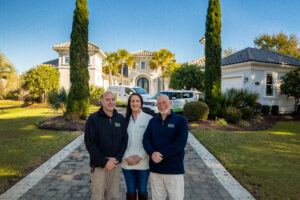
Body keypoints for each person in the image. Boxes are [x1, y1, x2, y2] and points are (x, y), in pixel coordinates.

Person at [143, 94, 188, 200]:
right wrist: (152, 153)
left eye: (164, 102)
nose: (162, 105)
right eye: (159, 103)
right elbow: (146, 139)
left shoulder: (180, 120)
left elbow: (180, 143)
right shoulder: (152, 121)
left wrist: (161, 154)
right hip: (156, 170)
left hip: (174, 170)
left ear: (170, 103)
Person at [84, 91, 128, 200]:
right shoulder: (93, 119)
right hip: (99, 166)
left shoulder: (120, 119)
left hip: (115, 165)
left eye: (113, 99)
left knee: (113, 196)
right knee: (97, 196)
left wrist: (117, 158)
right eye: (107, 99)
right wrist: (104, 162)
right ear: (102, 101)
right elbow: (90, 143)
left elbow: (124, 140)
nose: (111, 102)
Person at [121, 93, 152, 200]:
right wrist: (126, 157)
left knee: (143, 190)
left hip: (143, 163)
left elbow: (150, 141)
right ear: (129, 104)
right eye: (132, 101)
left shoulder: (148, 119)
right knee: (131, 191)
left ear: (141, 103)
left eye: (137, 101)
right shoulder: (124, 120)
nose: (134, 103)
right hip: (127, 162)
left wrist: (140, 156)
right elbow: (120, 141)